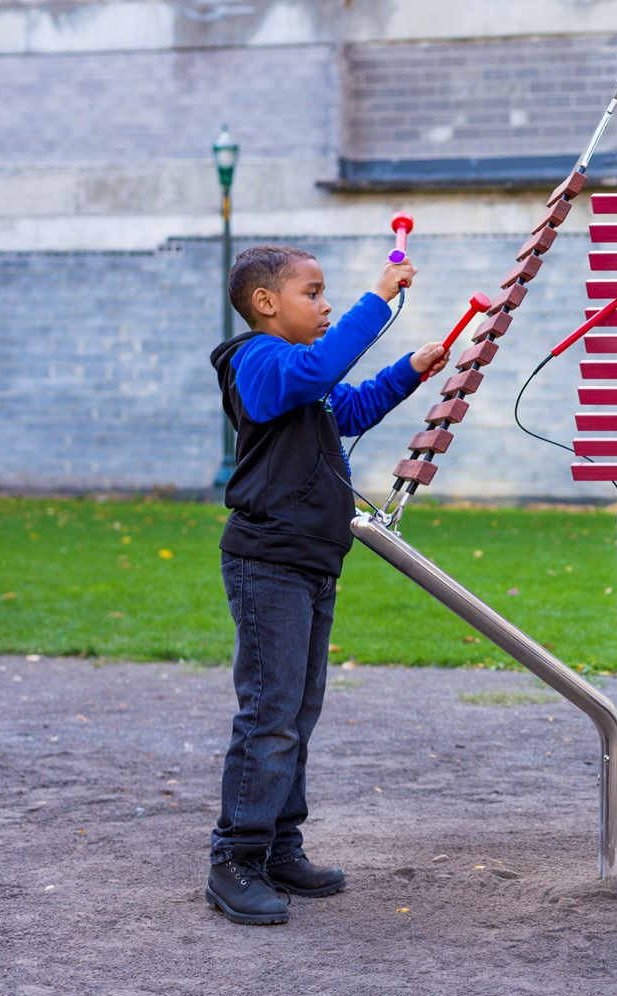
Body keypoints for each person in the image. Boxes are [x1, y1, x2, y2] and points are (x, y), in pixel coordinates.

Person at [205, 244, 449, 925]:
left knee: (296, 715)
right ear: (265, 303)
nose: (326, 305)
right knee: (270, 715)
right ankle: (234, 859)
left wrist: (409, 370)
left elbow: (351, 408)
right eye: (312, 293)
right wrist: (379, 298)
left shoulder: (302, 385)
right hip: (268, 562)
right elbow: (317, 368)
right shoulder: (257, 361)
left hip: (311, 562)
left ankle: (280, 847)